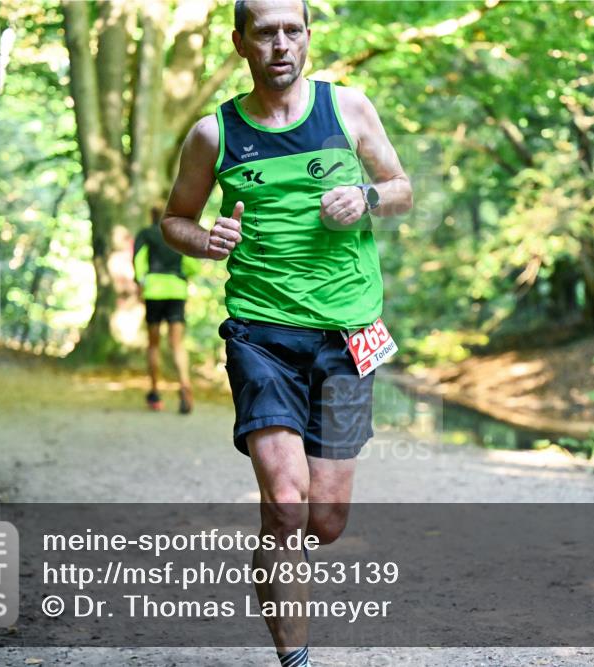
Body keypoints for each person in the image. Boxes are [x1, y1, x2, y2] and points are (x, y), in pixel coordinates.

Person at [161, 1, 412, 664]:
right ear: (241, 41)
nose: (280, 44)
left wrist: (368, 198)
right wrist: (205, 238)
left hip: (348, 333)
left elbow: (401, 186)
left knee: (325, 520)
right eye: (265, 32)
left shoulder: (348, 109)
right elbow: (174, 221)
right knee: (284, 505)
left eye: (292, 30)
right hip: (261, 334)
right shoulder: (213, 135)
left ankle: (290, 551)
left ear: (308, 37)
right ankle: (295, 659)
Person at [133, 205, 198, 413]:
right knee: (177, 344)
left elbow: (139, 262)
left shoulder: (146, 234)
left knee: (153, 344)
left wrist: (140, 283)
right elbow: (191, 266)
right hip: (176, 290)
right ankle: (185, 385)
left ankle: (154, 393)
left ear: (151, 216)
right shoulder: (178, 236)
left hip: (154, 291)